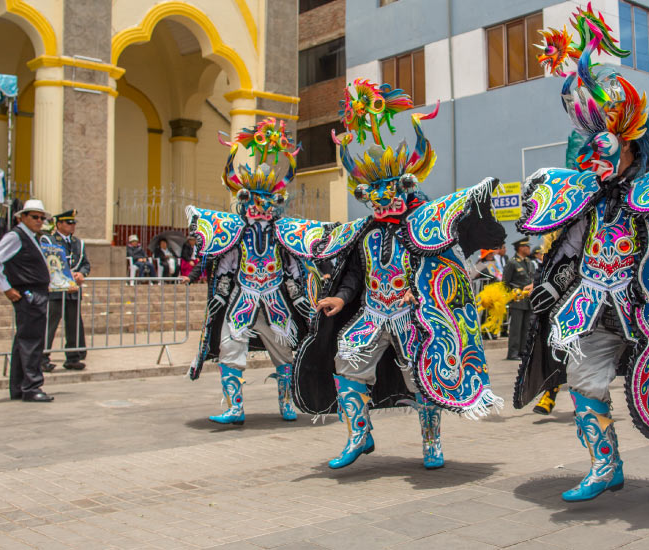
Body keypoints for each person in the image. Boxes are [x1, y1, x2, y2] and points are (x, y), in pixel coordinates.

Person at [515, 9, 649, 505]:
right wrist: (554, 281)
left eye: (602, 151)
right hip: (593, 307)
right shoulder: (585, 194)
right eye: (587, 153)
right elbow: (568, 246)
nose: (593, 161)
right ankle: (604, 465)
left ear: (629, 144)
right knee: (584, 384)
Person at [303, 79, 505, 470]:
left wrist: (424, 295)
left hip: (413, 315)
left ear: (404, 188)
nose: (379, 203)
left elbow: (446, 271)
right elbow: (356, 274)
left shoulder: (425, 229)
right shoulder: (366, 231)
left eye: (386, 195)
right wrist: (341, 298)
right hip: (375, 312)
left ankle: (432, 444)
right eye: (371, 197)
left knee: (422, 379)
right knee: (348, 357)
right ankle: (358, 435)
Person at [186, 117, 327, 425]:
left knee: (285, 352)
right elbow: (225, 267)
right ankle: (234, 407)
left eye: (268, 200)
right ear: (244, 200)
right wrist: (219, 297)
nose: (261, 206)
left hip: (275, 300)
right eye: (255, 199)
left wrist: (300, 299)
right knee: (230, 347)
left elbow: (292, 270)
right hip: (243, 298)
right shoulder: (235, 232)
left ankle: (287, 405)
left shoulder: (283, 233)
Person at [0, 199, 53, 402]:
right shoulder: (16, 236)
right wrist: (6, 288)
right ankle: (32, 386)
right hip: (29, 293)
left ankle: (19, 386)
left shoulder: (32, 237)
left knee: (24, 341)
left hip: (35, 292)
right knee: (32, 341)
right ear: (22, 217)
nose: (39, 221)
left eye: (42, 217)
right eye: (35, 217)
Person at [42, 209, 90, 372]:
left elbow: (85, 263)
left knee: (74, 324)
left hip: (73, 289)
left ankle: (73, 357)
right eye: (69, 223)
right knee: (50, 323)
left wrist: (81, 273)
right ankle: (42, 357)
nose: (72, 226)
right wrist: (68, 274)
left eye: (73, 223)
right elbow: (49, 261)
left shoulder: (78, 243)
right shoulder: (48, 239)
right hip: (55, 289)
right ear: (59, 224)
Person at [502, 238, 535, 361]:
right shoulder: (512, 263)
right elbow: (505, 282)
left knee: (526, 326)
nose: (529, 248)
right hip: (517, 299)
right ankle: (513, 352)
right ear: (521, 248)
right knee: (516, 327)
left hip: (528, 300)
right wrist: (509, 296)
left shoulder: (529, 262)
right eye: (527, 246)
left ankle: (523, 351)